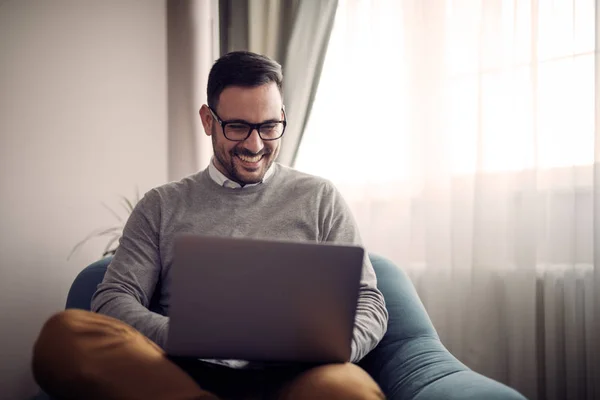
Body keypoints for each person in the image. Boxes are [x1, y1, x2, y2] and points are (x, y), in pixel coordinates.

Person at [32, 51, 389, 400]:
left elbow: (369, 301)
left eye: (268, 127)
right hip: (181, 371)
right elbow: (113, 298)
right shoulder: (161, 205)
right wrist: (185, 336)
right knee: (63, 336)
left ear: (282, 117)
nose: (255, 144)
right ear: (208, 120)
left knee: (348, 390)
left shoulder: (319, 198)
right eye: (237, 127)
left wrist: (325, 351)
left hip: (292, 376)